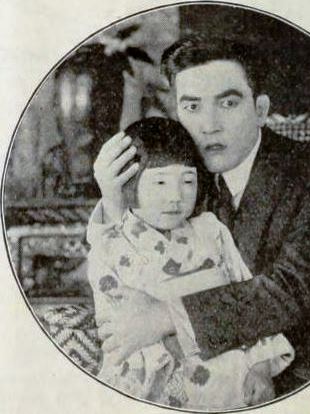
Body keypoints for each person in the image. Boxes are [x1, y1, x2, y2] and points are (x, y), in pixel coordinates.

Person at [91, 36, 310, 397]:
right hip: (197, 372)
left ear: (260, 110)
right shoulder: (183, 178)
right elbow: (140, 264)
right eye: (192, 106)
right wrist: (115, 202)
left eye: (228, 103)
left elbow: (291, 289)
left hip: (309, 370)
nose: (209, 125)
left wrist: (166, 316)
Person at [87, 117, 295, 409]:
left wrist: (260, 367)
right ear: (128, 183)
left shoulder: (211, 230)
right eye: (160, 182)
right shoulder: (113, 242)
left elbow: (246, 295)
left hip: (229, 371)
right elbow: (125, 321)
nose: (175, 197)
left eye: (187, 181)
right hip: (152, 375)